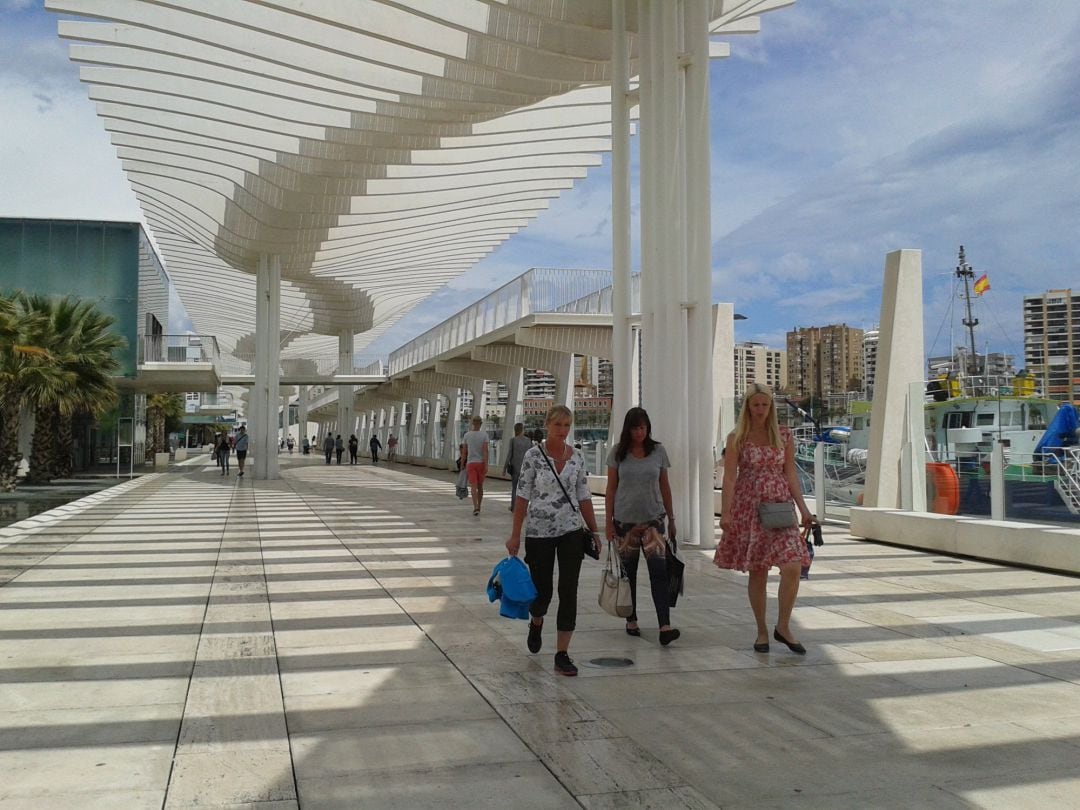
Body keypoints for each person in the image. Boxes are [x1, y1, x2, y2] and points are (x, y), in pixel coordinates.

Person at [714, 382, 813, 655]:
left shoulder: (784, 435)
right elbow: (730, 476)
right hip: (750, 507)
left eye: (765, 405)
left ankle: (783, 625)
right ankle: (761, 630)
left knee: (792, 565)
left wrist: (803, 508)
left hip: (780, 506)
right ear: (747, 407)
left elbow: (791, 472)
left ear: (771, 407)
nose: (760, 410)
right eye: (755, 405)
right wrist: (727, 513)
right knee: (758, 569)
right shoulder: (737, 437)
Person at [506, 405, 601, 677]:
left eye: (567, 425)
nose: (563, 431)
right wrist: (515, 535)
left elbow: (584, 496)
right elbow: (522, 496)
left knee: (568, 590)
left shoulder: (577, 457)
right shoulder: (533, 457)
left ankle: (562, 653)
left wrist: (594, 531)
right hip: (539, 532)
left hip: (570, 531)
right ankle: (536, 621)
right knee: (543, 592)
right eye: (558, 425)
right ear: (547, 425)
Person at [604, 407, 679, 645]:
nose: (640, 432)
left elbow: (665, 486)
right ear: (629, 429)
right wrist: (607, 522)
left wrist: (672, 518)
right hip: (625, 522)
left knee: (659, 571)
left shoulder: (658, 451)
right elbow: (611, 489)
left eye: (644, 428)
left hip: (654, 520)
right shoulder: (618, 453)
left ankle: (664, 625)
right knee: (630, 573)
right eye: (636, 428)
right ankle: (631, 618)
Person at [461, 416, 488, 516]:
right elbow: (485, 451)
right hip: (481, 463)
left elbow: (464, 451)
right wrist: (486, 465)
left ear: (473, 423)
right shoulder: (484, 435)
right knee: (480, 486)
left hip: (471, 463)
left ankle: (475, 506)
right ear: (480, 424)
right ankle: (479, 506)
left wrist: (462, 464)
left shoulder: (467, 435)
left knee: (473, 486)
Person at [504, 422, 534, 512]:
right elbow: (532, 455)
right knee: (525, 489)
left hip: (515, 467)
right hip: (526, 468)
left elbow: (509, 455)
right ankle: (524, 509)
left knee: (514, 488)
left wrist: (504, 468)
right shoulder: (528, 441)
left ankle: (513, 506)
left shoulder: (513, 440)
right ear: (522, 430)